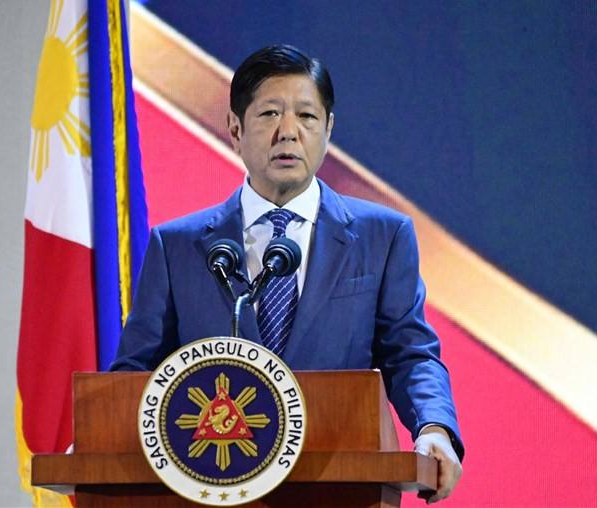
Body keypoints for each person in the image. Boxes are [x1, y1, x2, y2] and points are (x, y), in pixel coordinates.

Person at [111, 44, 463, 503]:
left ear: (328, 129)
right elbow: (137, 370)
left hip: (342, 482)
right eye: (269, 114)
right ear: (235, 130)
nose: (288, 133)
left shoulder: (384, 236)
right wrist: (105, 435)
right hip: (211, 483)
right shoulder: (176, 246)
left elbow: (410, 352)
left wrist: (433, 426)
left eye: (306, 117)